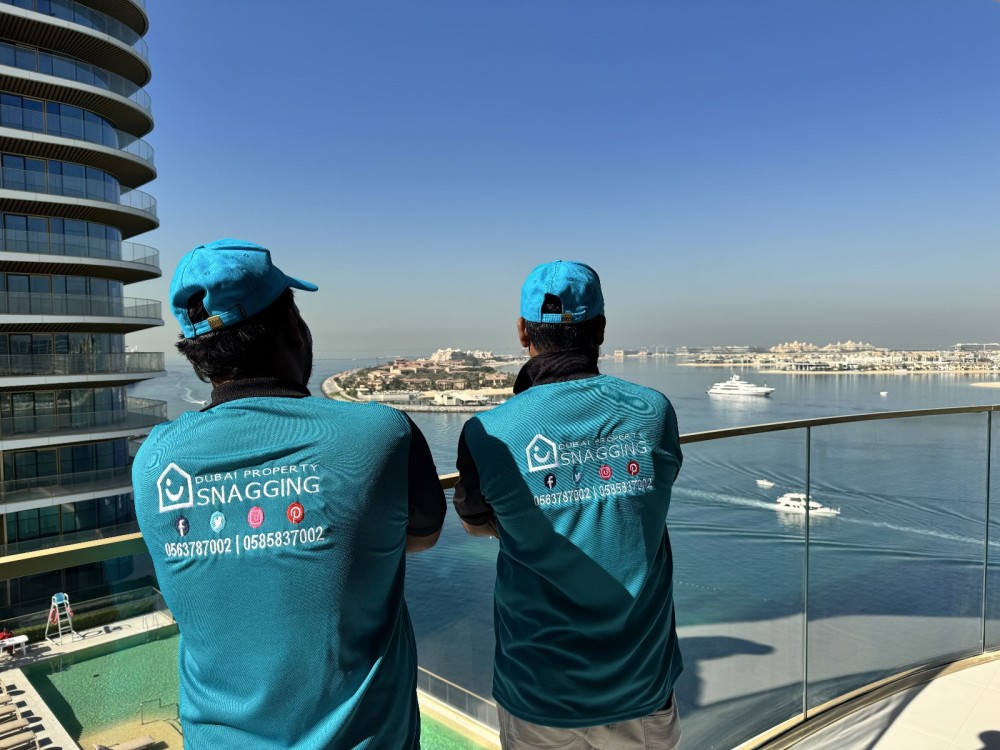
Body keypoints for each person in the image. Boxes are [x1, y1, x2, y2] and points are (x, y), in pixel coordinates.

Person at [132, 238, 446, 749]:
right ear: (293, 330)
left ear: (198, 357)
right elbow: (423, 536)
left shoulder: (154, 461)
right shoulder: (381, 435)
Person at [454, 261, 683, 749]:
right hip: (639, 686)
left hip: (538, 689)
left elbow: (475, 523)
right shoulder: (653, 412)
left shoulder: (486, 432)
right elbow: (645, 501)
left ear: (522, 331)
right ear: (601, 328)